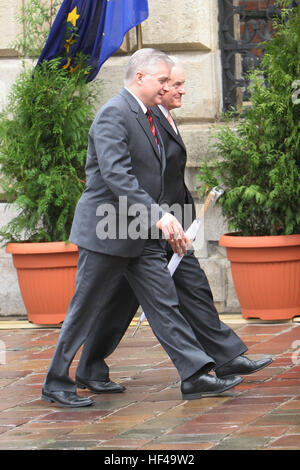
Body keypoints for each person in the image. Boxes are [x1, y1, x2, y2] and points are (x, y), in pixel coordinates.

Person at [41, 49, 243, 408]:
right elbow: (118, 176)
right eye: (162, 80)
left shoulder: (147, 115)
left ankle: (194, 375)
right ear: (140, 78)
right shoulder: (113, 114)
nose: (168, 86)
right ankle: (56, 383)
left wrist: (164, 219)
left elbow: (154, 177)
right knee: (84, 309)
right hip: (107, 231)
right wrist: (160, 216)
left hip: (139, 231)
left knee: (164, 303)